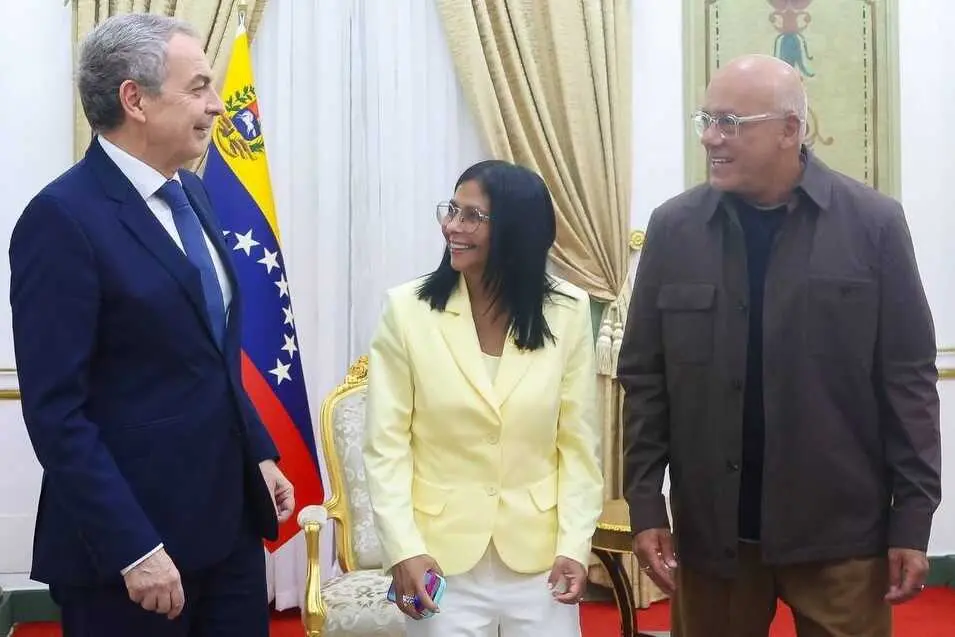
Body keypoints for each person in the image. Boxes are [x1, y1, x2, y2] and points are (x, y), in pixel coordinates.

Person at [618, 54, 941, 637]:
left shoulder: (873, 225)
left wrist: (912, 519)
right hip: (715, 535)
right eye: (706, 120)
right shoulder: (674, 230)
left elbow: (908, 382)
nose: (711, 138)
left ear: (791, 129)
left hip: (840, 536)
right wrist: (645, 502)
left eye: (731, 123)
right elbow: (645, 378)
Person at [9, 14, 295, 636]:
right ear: (133, 99)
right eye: (197, 87)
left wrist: (259, 452)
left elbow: (211, 353)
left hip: (230, 527)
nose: (218, 106)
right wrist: (133, 549)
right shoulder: (60, 220)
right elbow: (57, 411)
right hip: (134, 554)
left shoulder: (194, 195)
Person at [362, 160, 603, 636]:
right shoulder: (407, 311)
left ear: (515, 230)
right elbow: (385, 445)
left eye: (471, 216)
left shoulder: (568, 311)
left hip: (540, 561)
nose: (452, 225)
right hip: (438, 560)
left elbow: (577, 445)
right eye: (451, 210)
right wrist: (403, 549)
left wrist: (575, 545)